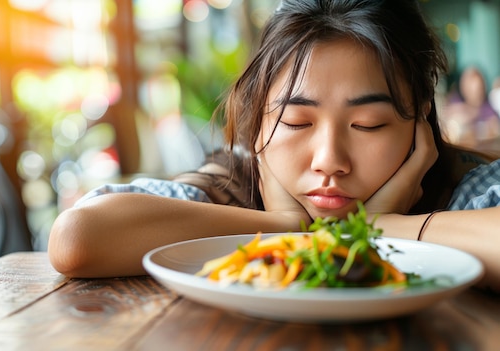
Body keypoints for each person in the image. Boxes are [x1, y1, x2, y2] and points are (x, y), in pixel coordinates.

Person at [48, 0, 500, 293]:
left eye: (367, 124)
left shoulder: (462, 187)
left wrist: (378, 226)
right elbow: (76, 239)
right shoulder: (232, 182)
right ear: (259, 117)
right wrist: (283, 224)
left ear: (420, 117)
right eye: (296, 121)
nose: (329, 161)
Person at [441, 66, 500, 149]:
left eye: (479, 88)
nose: (477, 92)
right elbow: (447, 117)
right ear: (464, 87)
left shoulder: (487, 106)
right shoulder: (456, 100)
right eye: (472, 88)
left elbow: (494, 126)